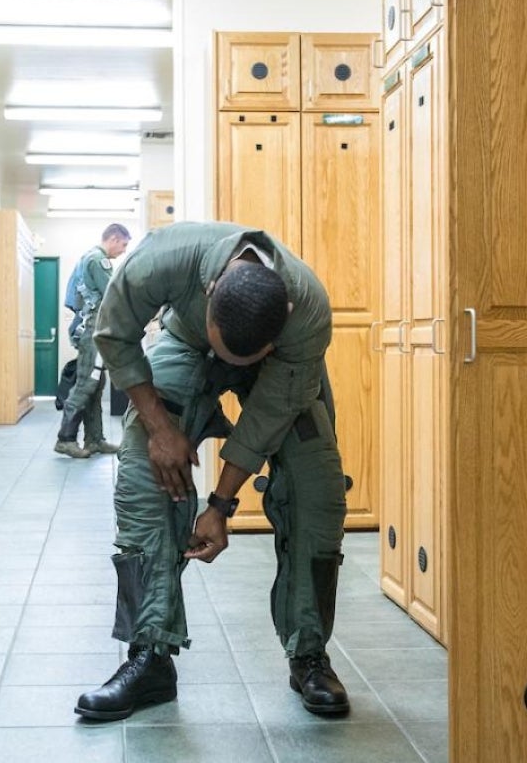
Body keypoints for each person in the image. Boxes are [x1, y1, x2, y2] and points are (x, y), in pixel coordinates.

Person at [74, 221, 349, 720]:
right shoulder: (161, 259)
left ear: (283, 315)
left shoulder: (307, 312)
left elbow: (268, 415)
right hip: (185, 343)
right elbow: (113, 335)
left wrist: (220, 504)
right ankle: (149, 655)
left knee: (318, 484)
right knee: (141, 466)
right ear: (209, 292)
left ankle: (309, 654)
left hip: (281, 371)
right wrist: (161, 429)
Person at [54, 223, 132, 459]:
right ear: (114, 239)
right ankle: (65, 439)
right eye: (124, 245)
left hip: (96, 329)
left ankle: (95, 439)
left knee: (96, 385)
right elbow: (113, 292)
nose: (124, 250)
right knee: (87, 383)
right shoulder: (98, 260)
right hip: (95, 330)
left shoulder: (89, 257)